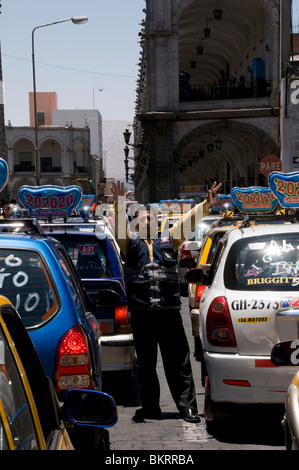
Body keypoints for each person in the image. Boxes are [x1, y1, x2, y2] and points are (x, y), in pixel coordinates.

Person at [110, 180, 222, 423]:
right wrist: (119, 204)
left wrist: (206, 203)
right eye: (143, 218)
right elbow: (119, 229)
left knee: (178, 362)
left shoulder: (169, 240)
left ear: (159, 222)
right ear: (136, 223)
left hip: (169, 312)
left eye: (152, 218)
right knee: (147, 364)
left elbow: (187, 221)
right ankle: (150, 407)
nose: (148, 222)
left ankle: (187, 407)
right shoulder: (129, 244)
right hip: (142, 313)